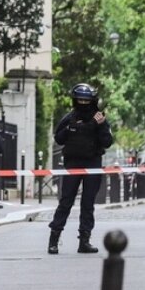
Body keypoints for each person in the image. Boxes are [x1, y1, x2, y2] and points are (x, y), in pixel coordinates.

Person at [48, 83, 114, 255]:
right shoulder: (71, 118)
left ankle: (83, 241)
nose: (84, 103)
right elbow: (59, 138)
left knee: (87, 203)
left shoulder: (98, 119)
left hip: (91, 163)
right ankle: (54, 240)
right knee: (66, 202)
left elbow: (107, 141)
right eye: (81, 100)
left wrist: (98, 126)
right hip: (74, 164)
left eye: (87, 100)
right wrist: (78, 128)